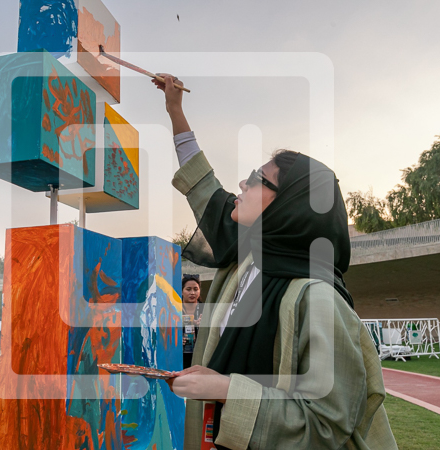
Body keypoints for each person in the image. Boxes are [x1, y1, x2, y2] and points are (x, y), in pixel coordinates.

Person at [154, 74, 397, 449]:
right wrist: (174, 110)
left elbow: (326, 425)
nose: (241, 184)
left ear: (289, 204)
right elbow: (204, 187)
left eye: (257, 179)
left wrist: (225, 389)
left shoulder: (318, 299)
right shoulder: (247, 256)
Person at [182, 274, 203, 369]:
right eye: (188, 289)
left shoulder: (205, 310)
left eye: (195, 289)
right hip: (180, 358)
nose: (192, 293)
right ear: (182, 291)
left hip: (200, 358)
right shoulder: (174, 310)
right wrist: (176, 339)